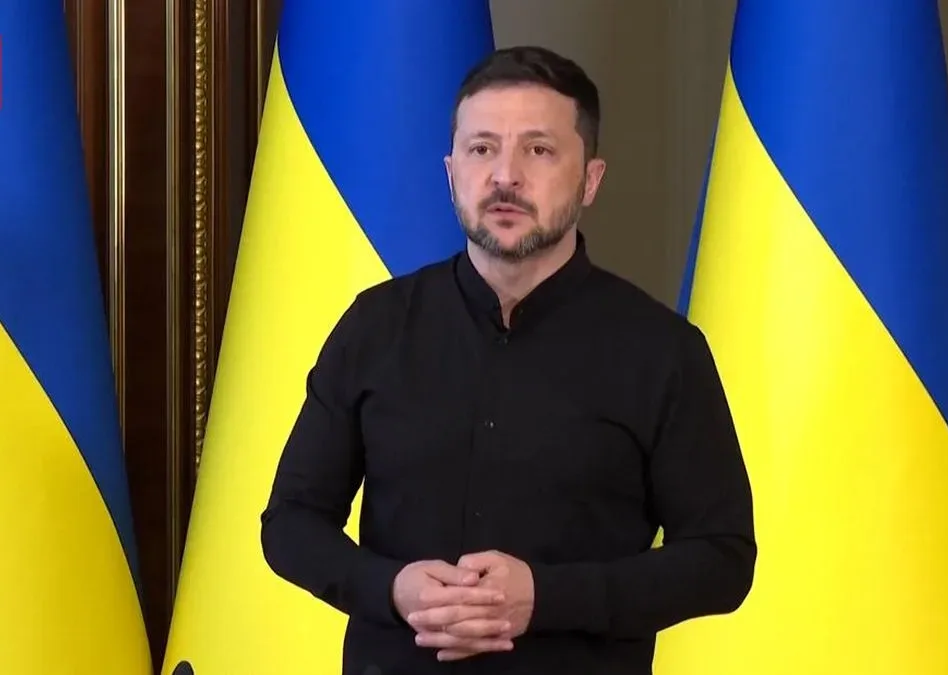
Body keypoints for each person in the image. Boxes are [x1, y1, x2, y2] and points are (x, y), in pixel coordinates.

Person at [260, 45, 756, 674]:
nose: (505, 176)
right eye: (481, 148)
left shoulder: (663, 350)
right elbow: (291, 524)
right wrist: (391, 589)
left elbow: (722, 558)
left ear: (591, 179)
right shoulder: (375, 327)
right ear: (451, 174)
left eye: (538, 150)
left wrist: (547, 598)